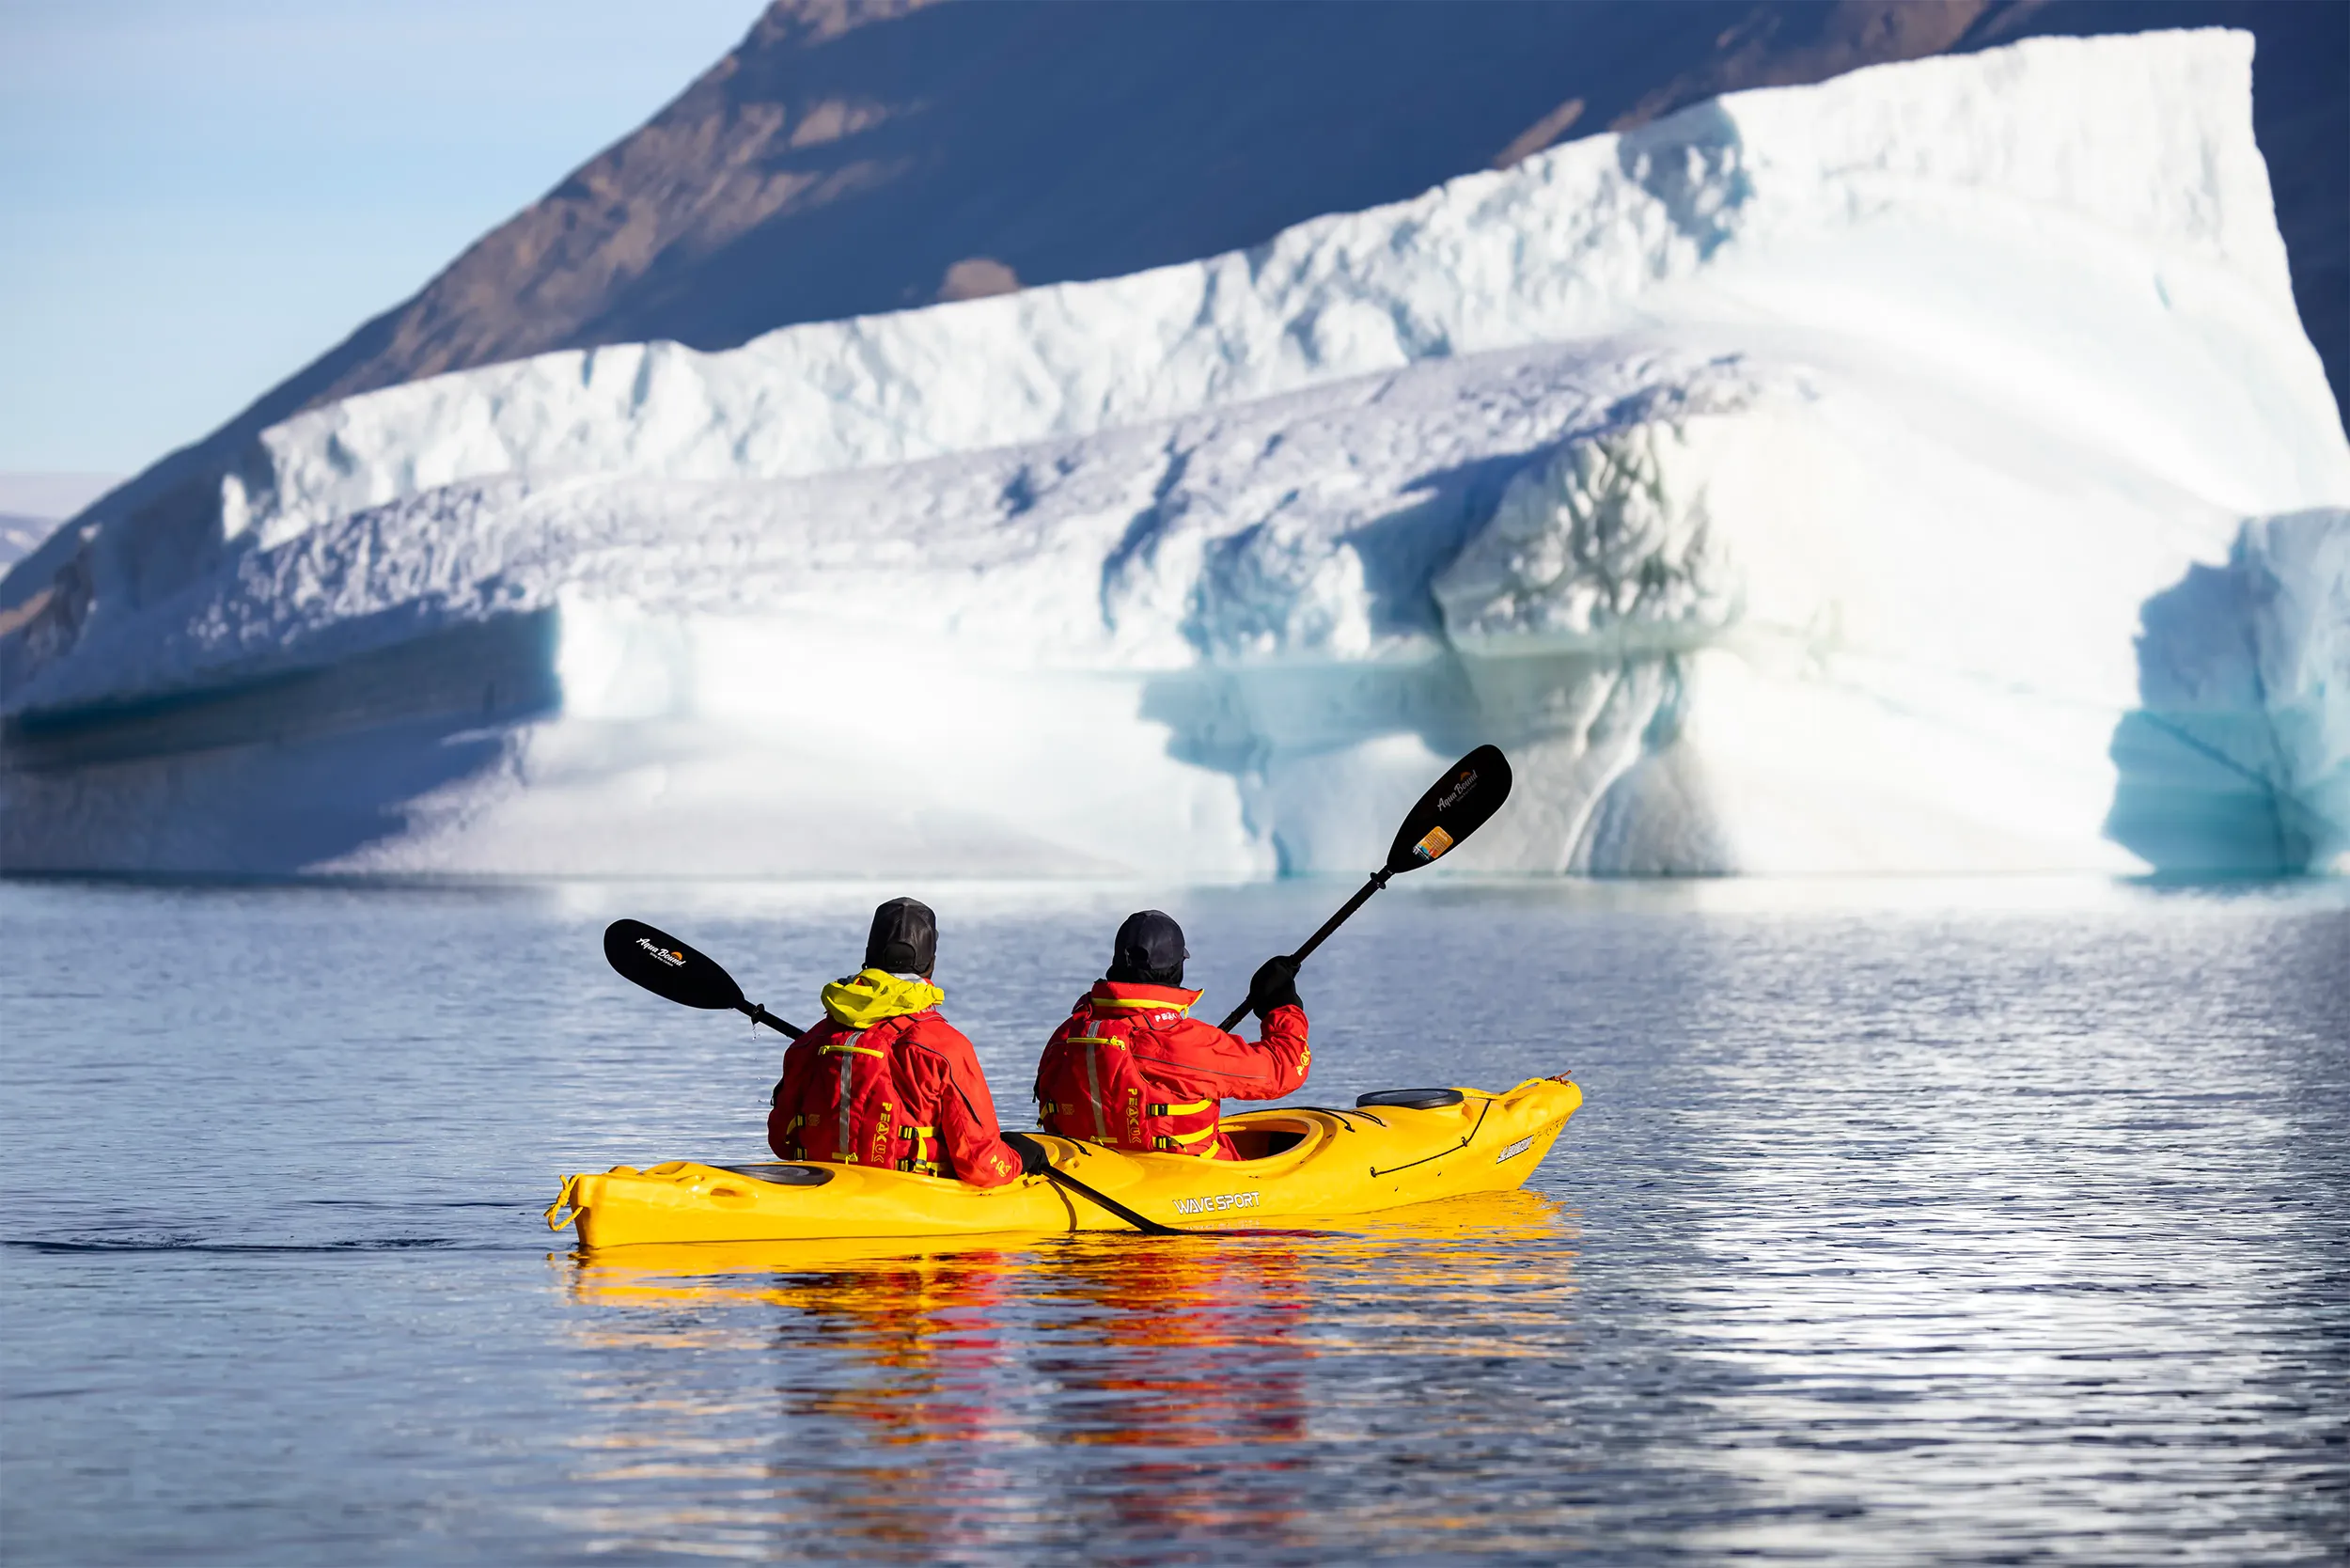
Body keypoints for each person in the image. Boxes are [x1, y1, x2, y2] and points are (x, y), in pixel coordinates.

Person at [767, 897, 1023, 1187]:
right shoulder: (946, 1047)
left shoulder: (813, 1040)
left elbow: (782, 1143)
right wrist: (1019, 1159)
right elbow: (982, 1166)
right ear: (931, 964)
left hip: (822, 1188)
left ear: (869, 957)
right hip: (909, 1198)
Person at [1032, 910, 1308, 1159]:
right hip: (1186, 1184)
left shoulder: (1065, 1036)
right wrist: (1284, 1007)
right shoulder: (1183, 1042)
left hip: (1090, 1176)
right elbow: (1284, 1069)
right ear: (1177, 968)